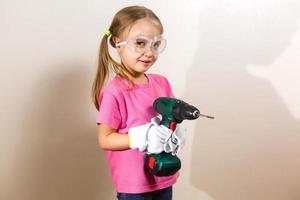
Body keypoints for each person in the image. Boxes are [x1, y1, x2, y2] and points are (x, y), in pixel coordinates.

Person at [91, 5, 186, 200]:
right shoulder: (114, 92)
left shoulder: (162, 83)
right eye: (140, 43)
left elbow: (171, 118)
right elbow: (105, 139)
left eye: (156, 45)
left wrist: (175, 134)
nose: (149, 52)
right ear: (119, 43)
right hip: (134, 186)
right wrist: (139, 137)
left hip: (163, 175)